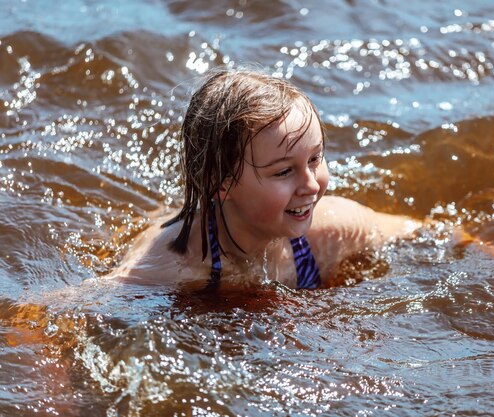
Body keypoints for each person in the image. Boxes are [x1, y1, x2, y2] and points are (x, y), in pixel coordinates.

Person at [111, 67, 421, 290]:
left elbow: (422, 233)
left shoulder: (332, 229)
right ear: (220, 182)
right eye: (284, 171)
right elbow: (86, 305)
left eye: (314, 159)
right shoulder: (172, 264)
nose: (311, 185)